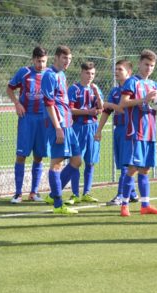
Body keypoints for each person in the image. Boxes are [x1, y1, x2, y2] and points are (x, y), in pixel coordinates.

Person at [118, 49, 157, 217]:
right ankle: (124, 205)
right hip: (135, 132)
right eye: (146, 64)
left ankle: (145, 205)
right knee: (132, 168)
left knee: (145, 169)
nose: (149, 68)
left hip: (150, 133)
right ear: (140, 63)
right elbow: (123, 103)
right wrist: (144, 100)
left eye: (152, 65)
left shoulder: (155, 86)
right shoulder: (132, 82)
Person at [41, 45, 81, 214]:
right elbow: (49, 104)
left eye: (70, 59)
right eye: (65, 58)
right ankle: (58, 204)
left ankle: (53, 194)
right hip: (58, 125)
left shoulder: (62, 75)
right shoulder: (49, 76)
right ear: (56, 58)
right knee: (56, 164)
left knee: (77, 160)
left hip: (68, 124)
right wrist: (58, 127)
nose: (67, 62)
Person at [7, 46, 50, 204]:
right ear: (33, 60)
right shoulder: (24, 72)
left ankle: (34, 192)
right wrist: (17, 103)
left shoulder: (50, 74)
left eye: (44, 61)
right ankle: (18, 194)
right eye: (38, 61)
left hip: (44, 119)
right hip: (27, 118)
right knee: (21, 155)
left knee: (39, 156)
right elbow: (10, 88)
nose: (41, 64)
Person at [94, 59, 139, 205]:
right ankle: (131, 193)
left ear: (129, 72)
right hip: (118, 130)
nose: (117, 72)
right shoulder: (114, 91)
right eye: (116, 69)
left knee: (127, 164)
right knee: (121, 163)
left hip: (129, 129)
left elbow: (121, 108)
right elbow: (106, 112)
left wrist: (109, 104)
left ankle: (121, 195)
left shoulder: (132, 87)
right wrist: (99, 130)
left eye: (120, 69)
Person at [66, 62, 103, 205]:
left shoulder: (95, 89)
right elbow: (70, 109)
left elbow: (101, 107)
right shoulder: (74, 89)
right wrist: (88, 111)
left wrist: (97, 96)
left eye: (93, 74)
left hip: (92, 128)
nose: (90, 76)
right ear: (81, 73)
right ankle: (75, 194)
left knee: (91, 161)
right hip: (78, 128)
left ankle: (86, 192)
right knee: (76, 161)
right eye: (87, 73)